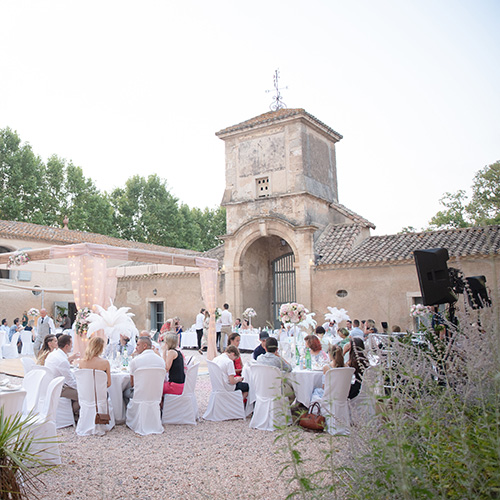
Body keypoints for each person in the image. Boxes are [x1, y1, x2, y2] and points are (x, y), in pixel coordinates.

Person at [45, 334, 81, 417]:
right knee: (84, 394)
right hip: (58, 388)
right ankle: (69, 414)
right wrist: (82, 387)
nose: (72, 347)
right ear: (67, 346)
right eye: (71, 344)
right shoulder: (62, 360)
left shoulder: (53, 354)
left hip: (50, 384)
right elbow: (70, 382)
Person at [124, 336, 165, 406]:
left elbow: (133, 383)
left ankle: (129, 413)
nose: (136, 347)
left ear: (145, 346)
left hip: (140, 396)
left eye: (138, 345)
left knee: (124, 393)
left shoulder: (135, 361)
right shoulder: (161, 361)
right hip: (156, 394)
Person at [256, 337, 294, 402]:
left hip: (261, 388)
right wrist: (280, 357)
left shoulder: (259, 358)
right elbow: (289, 368)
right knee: (293, 390)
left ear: (265, 348)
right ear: (277, 349)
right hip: (276, 389)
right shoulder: (278, 360)